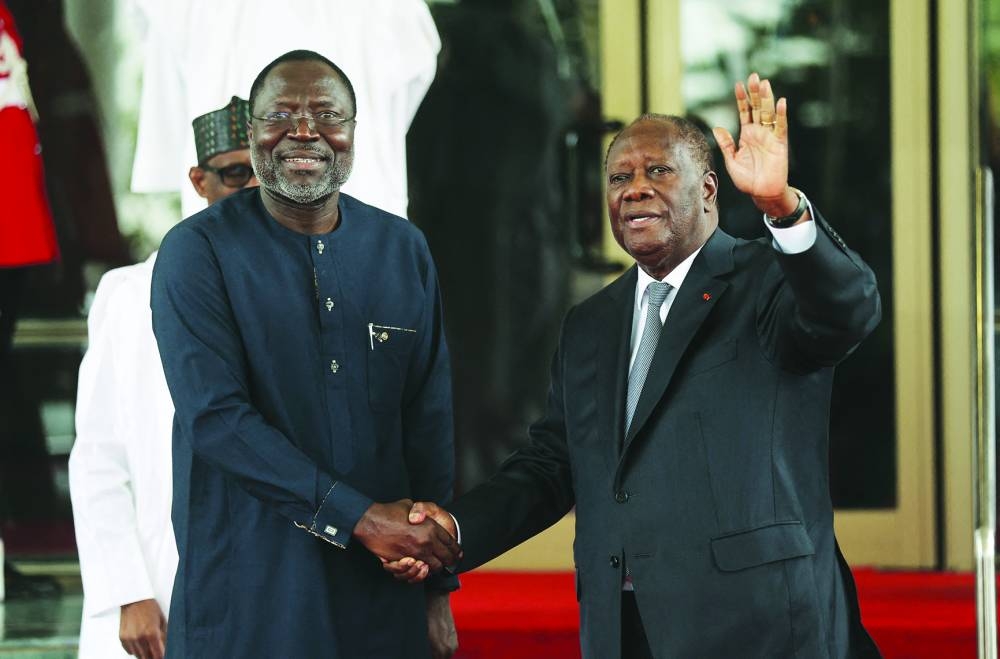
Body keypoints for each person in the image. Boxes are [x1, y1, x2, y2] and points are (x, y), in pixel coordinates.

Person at [391, 74, 884, 659]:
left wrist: (782, 207)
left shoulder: (768, 279)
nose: (634, 189)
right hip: (624, 626)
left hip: (759, 622)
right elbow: (553, 465)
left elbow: (846, 312)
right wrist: (454, 531)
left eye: (658, 172)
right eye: (619, 177)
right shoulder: (591, 323)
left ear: (708, 190)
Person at [149, 51, 461, 659]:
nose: (304, 131)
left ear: (353, 132)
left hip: (382, 593)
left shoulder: (401, 248)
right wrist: (362, 519)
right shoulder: (197, 252)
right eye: (281, 114)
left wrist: (436, 588)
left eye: (326, 114)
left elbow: (428, 420)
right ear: (253, 132)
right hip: (249, 591)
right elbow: (216, 420)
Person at [70, 97, 258, 659]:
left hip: (261, 589)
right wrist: (128, 591)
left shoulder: (304, 292)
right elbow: (99, 456)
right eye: (233, 174)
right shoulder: (129, 295)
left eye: (263, 175)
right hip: (156, 579)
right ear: (199, 181)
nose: (250, 192)